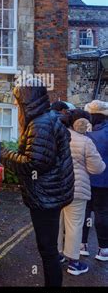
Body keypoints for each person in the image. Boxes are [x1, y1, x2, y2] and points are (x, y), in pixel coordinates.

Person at [0, 79, 74, 287]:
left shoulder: (40, 124)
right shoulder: (46, 119)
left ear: (28, 100)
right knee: (49, 248)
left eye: (18, 101)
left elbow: (33, 164)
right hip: (52, 193)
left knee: (48, 250)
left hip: (46, 196)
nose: (16, 105)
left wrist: (4, 154)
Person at [58, 109, 105, 276]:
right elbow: (96, 168)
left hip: (57, 187)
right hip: (77, 188)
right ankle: (73, 262)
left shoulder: (59, 136)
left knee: (59, 223)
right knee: (75, 225)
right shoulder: (86, 141)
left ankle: (57, 256)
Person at [82, 100, 108, 261]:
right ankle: (103, 249)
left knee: (84, 212)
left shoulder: (83, 132)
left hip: (85, 178)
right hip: (104, 180)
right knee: (102, 212)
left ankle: (82, 245)